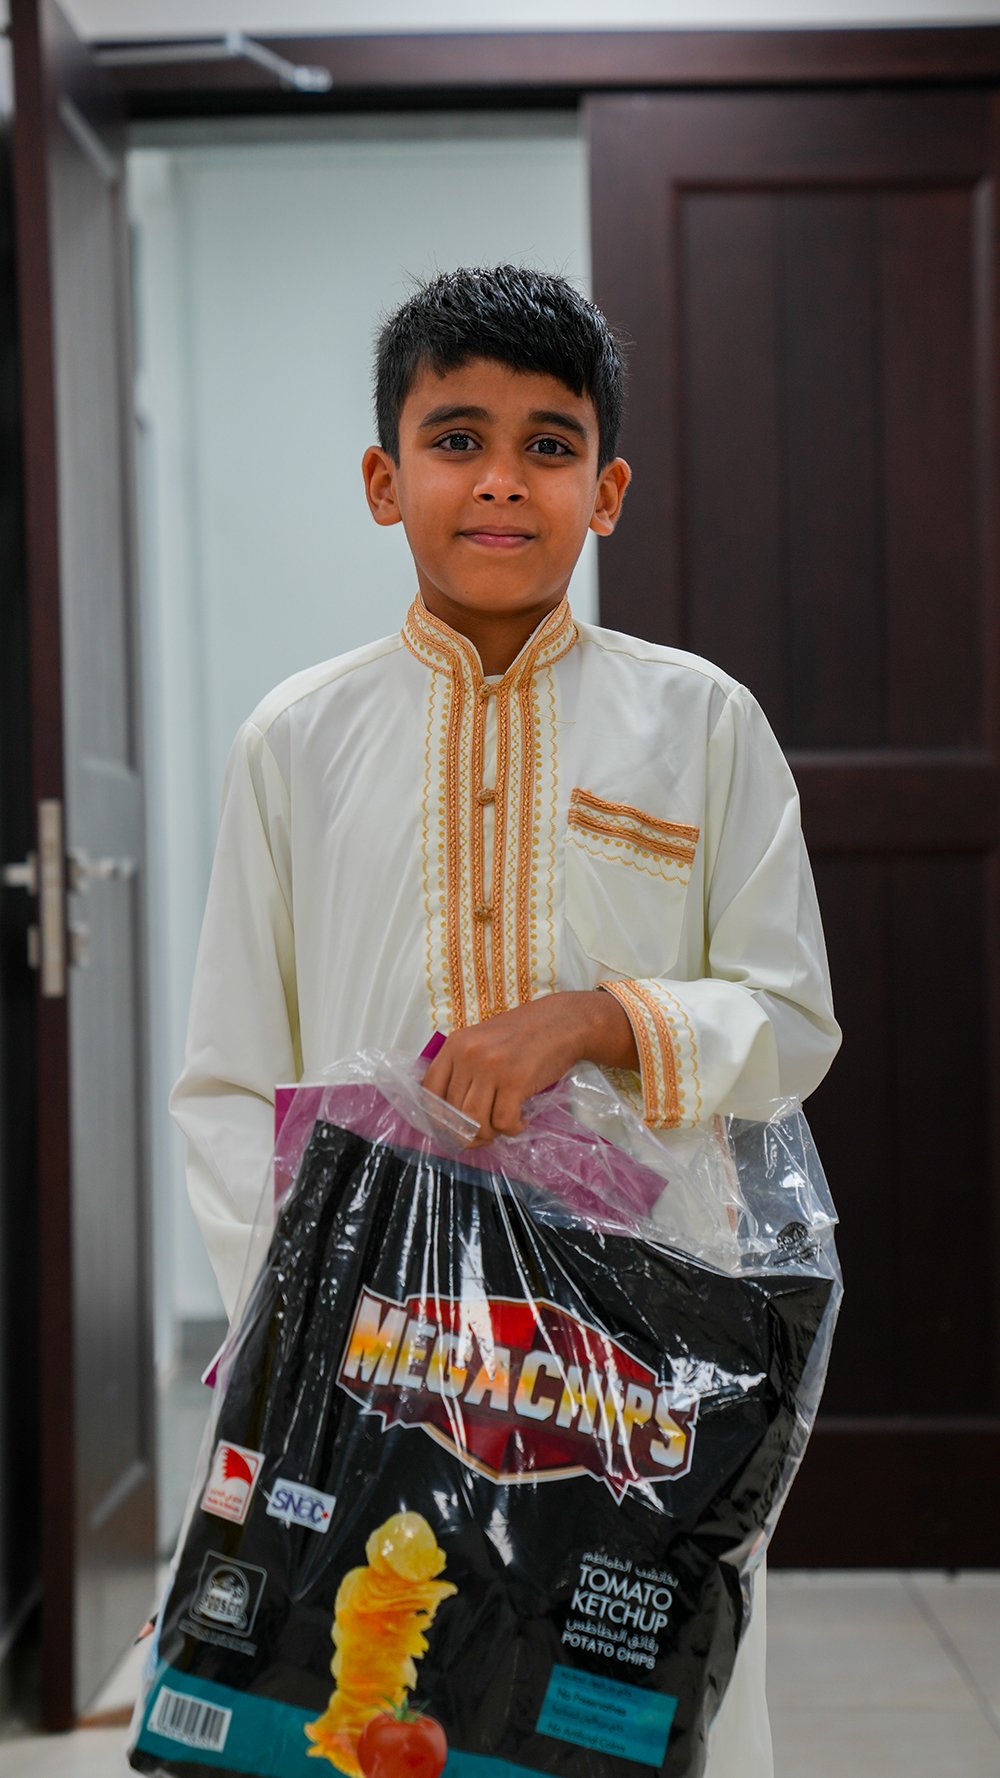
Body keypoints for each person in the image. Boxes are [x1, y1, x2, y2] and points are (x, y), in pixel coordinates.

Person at [171, 263, 840, 1778]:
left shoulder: (701, 723)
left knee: (613, 1712)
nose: (500, 479)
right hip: (372, 1349)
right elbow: (229, 1080)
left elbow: (791, 1021)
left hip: (629, 1359)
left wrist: (599, 1017)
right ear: (382, 479)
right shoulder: (298, 740)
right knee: (370, 1687)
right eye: (456, 438)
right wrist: (311, 1336)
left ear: (606, 490)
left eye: (549, 444)